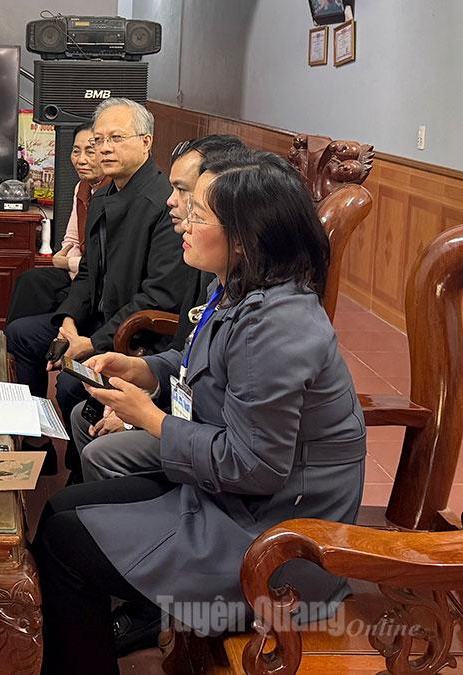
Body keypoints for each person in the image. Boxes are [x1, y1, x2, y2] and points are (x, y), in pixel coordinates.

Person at [32, 149, 366, 674]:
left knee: (64, 545)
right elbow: (205, 365)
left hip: (278, 539)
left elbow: (254, 467)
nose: (182, 222)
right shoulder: (237, 290)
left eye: (198, 215)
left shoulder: (275, 327)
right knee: (62, 509)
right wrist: (151, 371)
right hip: (231, 499)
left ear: (246, 236)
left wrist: (150, 418)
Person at [6, 98, 200, 475]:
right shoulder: (104, 195)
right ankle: (34, 440)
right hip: (97, 321)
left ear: (146, 142)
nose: (104, 148)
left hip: (137, 334)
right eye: (99, 140)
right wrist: (69, 323)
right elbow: (89, 274)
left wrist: (91, 342)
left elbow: (158, 296)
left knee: (69, 386)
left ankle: (81, 470)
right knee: (21, 334)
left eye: (116, 138)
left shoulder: (164, 204)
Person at [75, 134, 247, 482]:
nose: (172, 202)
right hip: (195, 426)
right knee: (85, 416)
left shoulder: (267, 318)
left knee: (71, 505)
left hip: (216, 469)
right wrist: (139, 370)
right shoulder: (216, 276)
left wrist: (144, 415)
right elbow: (188, 355)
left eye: (188, 195)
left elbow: (243, 457)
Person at [5, 120, 106, 323]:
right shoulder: (82, 187)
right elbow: (71, 239)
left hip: (97, 280)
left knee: (38, 308)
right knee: (29, 280)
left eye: (90, 151)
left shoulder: (113, 194)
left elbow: (104, 263)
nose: (81, 160)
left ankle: (26, 339)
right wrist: (68, 261)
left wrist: (67, 262)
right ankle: (11, 348)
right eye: (76, 151)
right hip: (77, 270)